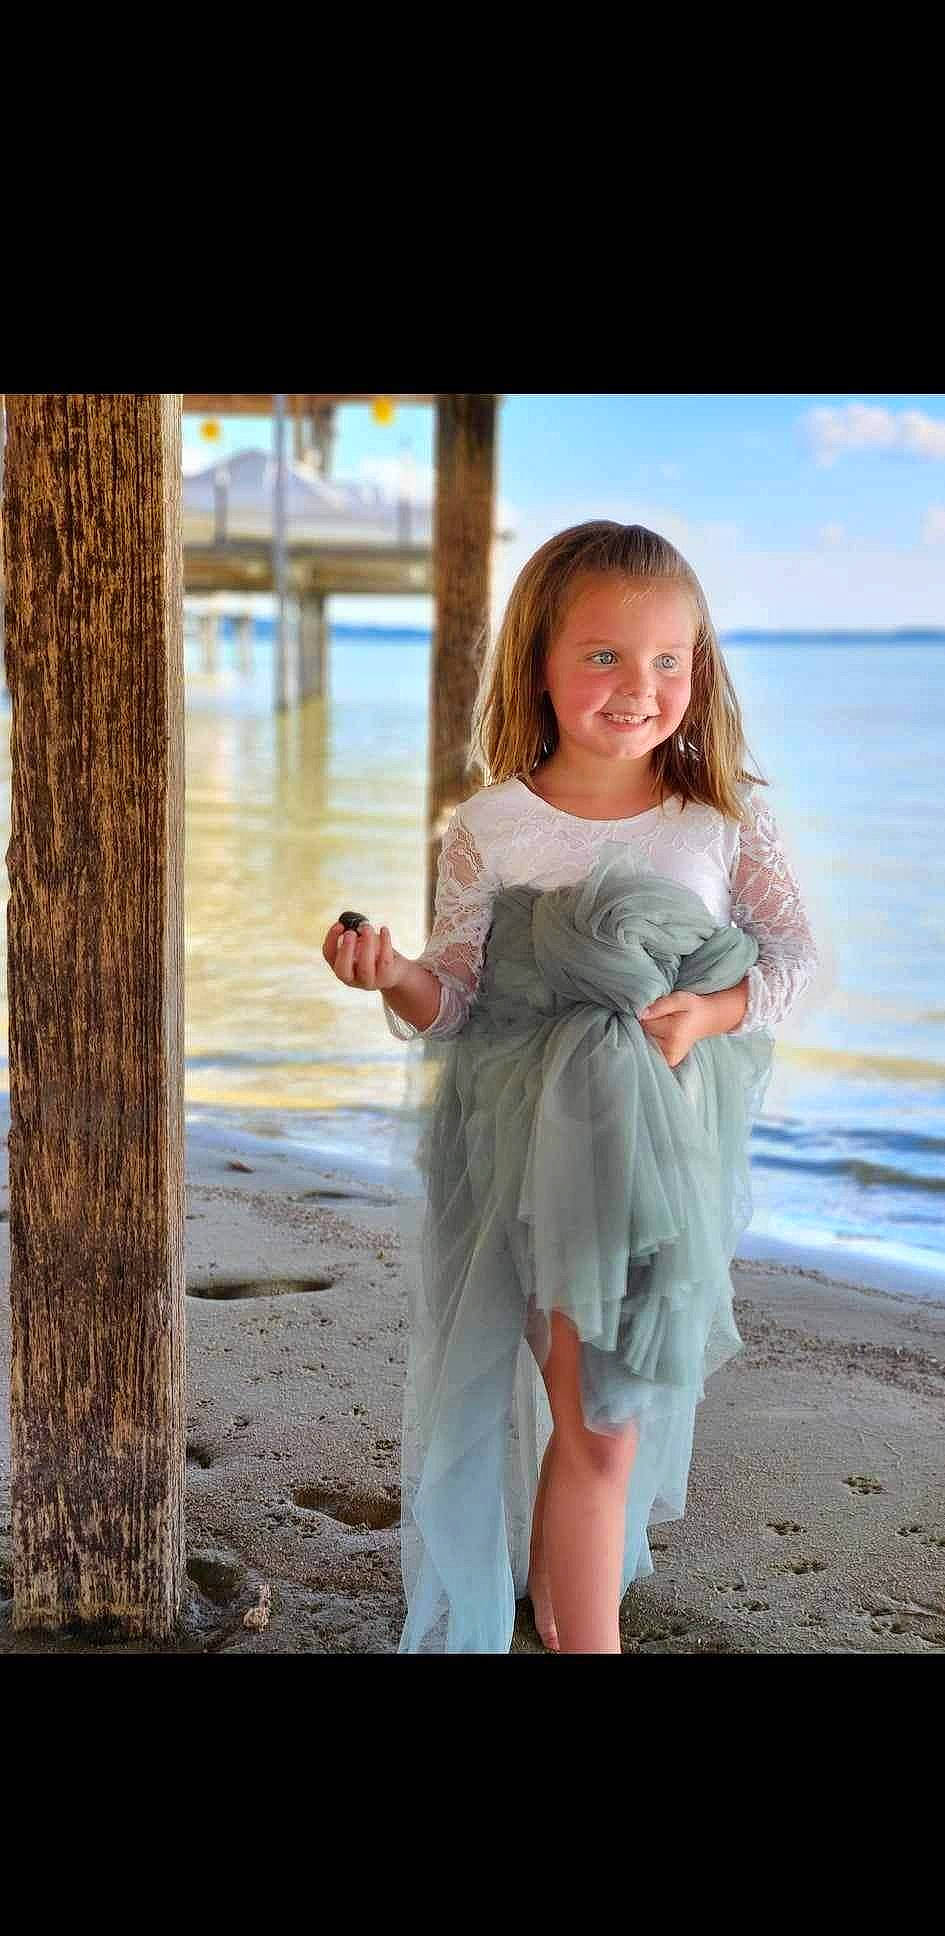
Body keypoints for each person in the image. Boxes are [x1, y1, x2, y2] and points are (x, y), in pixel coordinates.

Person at [322, 522, 821, 1655]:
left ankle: (563, 1607)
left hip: (663, 1161)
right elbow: (455, 1002)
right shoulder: (492, 829)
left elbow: (790, 961)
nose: (638, 688)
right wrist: (391, 970)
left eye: (667, 661)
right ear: (539, 661)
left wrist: (710, 1011)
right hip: (535, 1156)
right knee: (603, 1411)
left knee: (604, 1404)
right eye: (602, 656)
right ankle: (583, 1635)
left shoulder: (719, 818)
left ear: (699, 673)